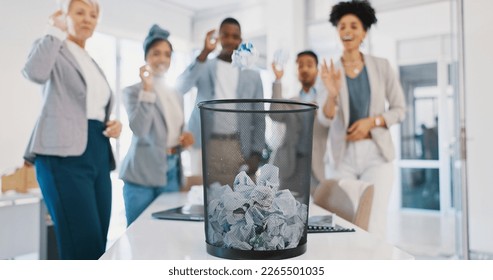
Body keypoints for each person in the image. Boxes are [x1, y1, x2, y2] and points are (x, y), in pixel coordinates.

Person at [22, 0, 122, 259]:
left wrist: (112, 124)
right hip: (62, 155)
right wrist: (54, 31)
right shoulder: (53, 45)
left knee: (99, 241)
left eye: (93, 14)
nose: (87, 19)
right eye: (79, 12)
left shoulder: (91, 61)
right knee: (82, 245)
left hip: (98, 151)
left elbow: (91, 107)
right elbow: (34, 72)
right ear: (63, 16)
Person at [318, 0, 406, 239]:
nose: (347, 31)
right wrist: (332, 95)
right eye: (342, 26)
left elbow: (399, 109)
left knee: (374, 221)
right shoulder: (328, 71)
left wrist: (372, 122)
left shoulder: (381, 66)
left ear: (364, 32)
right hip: (342, 155)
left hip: (376, 153)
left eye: (354, 26)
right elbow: (325, 120)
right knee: (343, 220)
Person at [119, 25, 194, 226]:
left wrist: (185, 140)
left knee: (166, 232)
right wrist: (148, 89)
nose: (162, 59)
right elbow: (140, 129)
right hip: (141, 173)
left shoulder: (176, 93)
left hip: (171, 171)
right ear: (146, 57)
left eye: (167, 54)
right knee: (139, 233)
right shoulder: (132, 92)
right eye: (156, 53)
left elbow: (173, 131)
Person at [176, 17, 265, 186]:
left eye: (235, 36)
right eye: (225, 35)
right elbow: (180, 87)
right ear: (219, 37)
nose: (230, 40)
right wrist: (203, 53)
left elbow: (259, 117)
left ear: (240, 40)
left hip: (239, 145)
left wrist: (256, 152)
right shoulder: (204, 65)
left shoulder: (253, 75)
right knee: (206, 197)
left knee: (239, 199)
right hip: (206, 143)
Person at [270, 50, 328, 196]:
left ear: (317, 69)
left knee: (317, 209)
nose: (305, 69)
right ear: (296, 70)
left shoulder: (326, 101)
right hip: (291, 166)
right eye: (300, 65)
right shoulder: (291, 101)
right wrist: (278, 81)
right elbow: (274, 114)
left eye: (309, 65)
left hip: (317, 166)